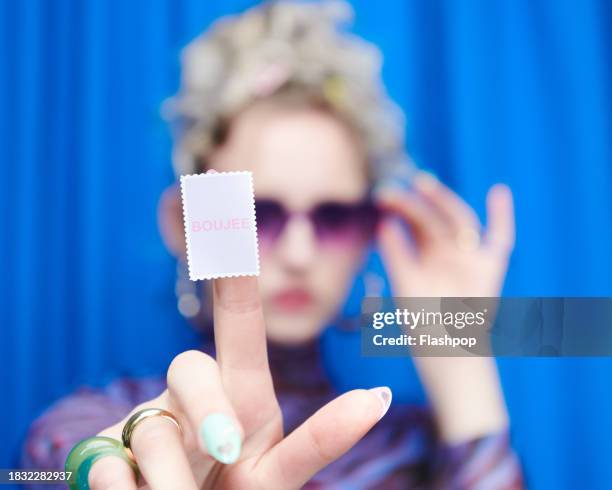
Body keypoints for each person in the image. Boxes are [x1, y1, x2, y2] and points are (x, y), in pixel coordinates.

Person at [22, 2, 523, 488]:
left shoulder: (416, 451)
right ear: (183, 223)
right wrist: (104, 467)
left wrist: (461, 357)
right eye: (258, 213)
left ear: (368, 231)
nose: (300, 254)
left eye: (335, 216)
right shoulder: (88, 429)